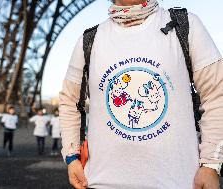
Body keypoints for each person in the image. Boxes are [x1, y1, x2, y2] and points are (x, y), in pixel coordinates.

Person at [59, 0, 223, 188]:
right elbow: (70, 101)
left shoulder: (186, 25)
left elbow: (217, 94)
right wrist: (72, 157)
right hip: (100, 182)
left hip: (180, 182)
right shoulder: (89, 40)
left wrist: (211, 164)